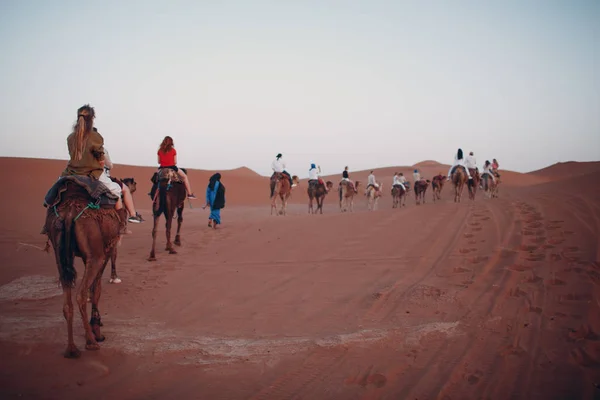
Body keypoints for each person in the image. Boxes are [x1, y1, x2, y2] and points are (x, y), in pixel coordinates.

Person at [61, 105, 142, 223]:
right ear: (91, 118)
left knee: (56, 193)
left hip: (71, 173)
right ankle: (121, 223)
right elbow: (102, 160)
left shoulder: (70, 137)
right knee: (116, 192)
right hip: (92, 174)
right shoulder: (95, 137)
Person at [99, 148, 143, 224]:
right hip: (101, 176)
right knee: (124, 189)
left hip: (80, 175)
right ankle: (132, 215)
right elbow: (109, 165)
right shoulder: (101, 149)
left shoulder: (79, 147)